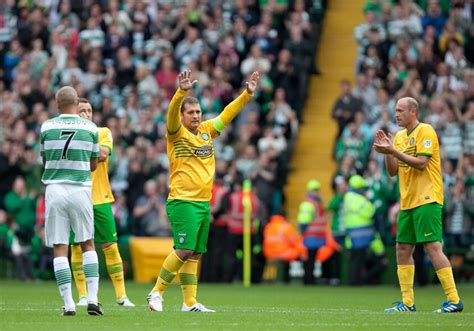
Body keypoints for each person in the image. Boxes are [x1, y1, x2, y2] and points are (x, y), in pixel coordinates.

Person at [147, 69, 260, 313]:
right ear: (182, 115)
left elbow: (226, 115)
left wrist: (246, 95)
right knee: (184, 249)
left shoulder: (207, 131)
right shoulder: (176, 134)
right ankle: (156, 292)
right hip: (182, 201)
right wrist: (181, 93)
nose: (196, 116)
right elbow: (171, 114)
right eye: (191, 112)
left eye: (198, 111)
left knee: (195, 254)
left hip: (202, 202)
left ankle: (189, 303)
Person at [373, 97, 463, 313]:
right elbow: (393, 171)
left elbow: (422, 164)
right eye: (395, 110)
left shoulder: (426, 131)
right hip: (407, 201)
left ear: (413, 112)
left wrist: (393, 151)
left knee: (432, 247)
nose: (396, 114)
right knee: (402, 249)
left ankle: (454, 300)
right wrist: (388, 151)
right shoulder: (400, 137)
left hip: (427, 198)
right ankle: (408, 302)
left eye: (400, 110)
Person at [40, 86, 103, 316]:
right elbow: (94, 164)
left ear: (57, 104)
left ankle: (68, 304)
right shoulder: (90, 127)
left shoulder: (47, 126)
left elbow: (45, 158)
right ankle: (93, 299)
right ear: (77, 104)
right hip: (81, 189)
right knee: (87, 243)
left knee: (60, 247)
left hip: (55, 189)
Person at [70, 98, 135, 307]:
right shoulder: (69, 134)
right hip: (76, 197)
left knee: (111, 246)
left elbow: (103, 154)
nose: (86, 114)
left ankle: (121, 296)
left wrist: (78, 150)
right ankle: (82, 296)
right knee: (76, 247)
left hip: (100, 198)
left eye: (89, 110)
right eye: (81, 111)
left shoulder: (103, 132)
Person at [343, 175, 376, 286]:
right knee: (359, 259)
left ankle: (353, 280)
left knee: (354, 259)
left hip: (352, 232)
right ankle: (355, 281)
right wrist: (368, 199)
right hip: (361, 233)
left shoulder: (347, 197)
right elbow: (370, 211)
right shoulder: (359, 198)